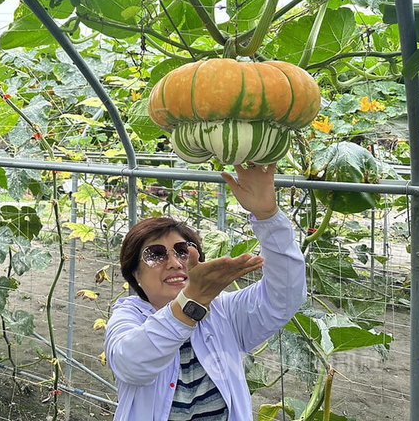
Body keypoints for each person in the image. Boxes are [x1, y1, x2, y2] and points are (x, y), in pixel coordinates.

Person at [105, 164, 306, 421]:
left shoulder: (224, 312)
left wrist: (268, 216)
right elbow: (132, 364)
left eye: (182, 250)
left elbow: (284, 296)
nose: (175, 262)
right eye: (155, 254)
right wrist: (192, 302)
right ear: (135, 275)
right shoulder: (127, 319)